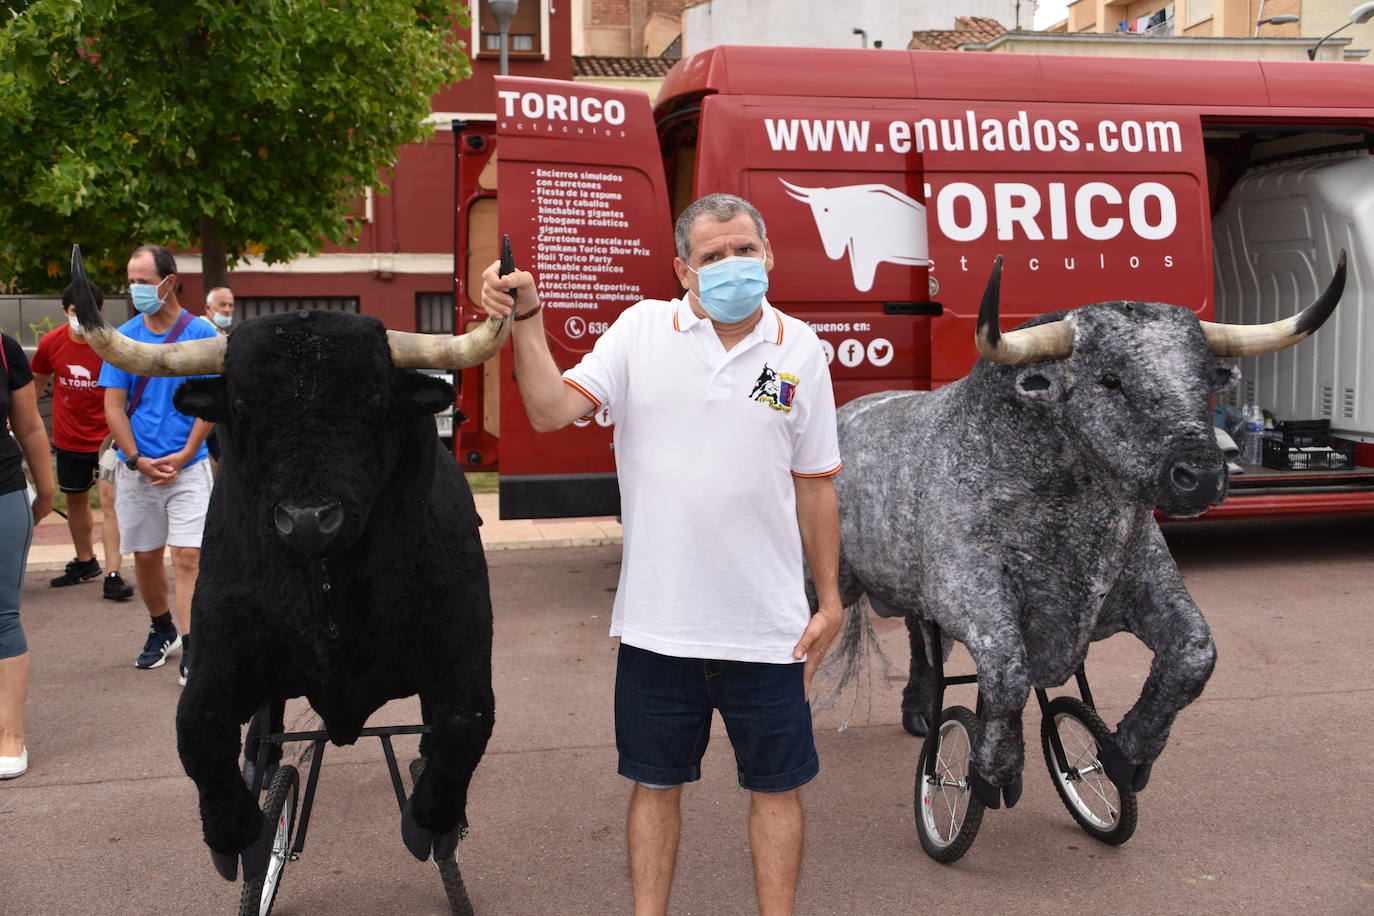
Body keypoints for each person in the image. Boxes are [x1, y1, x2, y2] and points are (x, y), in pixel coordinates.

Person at [481, 193, 844, 915]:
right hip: (659, 624)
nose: (732, 265)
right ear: (683, 269)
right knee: (654, 786)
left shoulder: (800, 349)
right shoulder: (640, 332)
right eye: (713, 257)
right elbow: (552, 409)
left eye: (744, 249)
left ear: (769, 253)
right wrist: (528, 320)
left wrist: (829, 602)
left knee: (778, 789)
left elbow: (815, 488)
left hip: (768, 629)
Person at [99, 244, 218, 687]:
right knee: (146, 558)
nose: (135, 290)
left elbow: (211, 402)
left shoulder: (201, 332)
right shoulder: (124, 336)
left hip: (189, 466)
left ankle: (192, 643)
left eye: (143, 282)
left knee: (188, 556)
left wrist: (187, 453)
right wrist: (136, 459)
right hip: (138, 469)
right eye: (131, 281)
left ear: (169, 282)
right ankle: (161, 626)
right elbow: (113, 405)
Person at [30, 283, 135, 601]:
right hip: (69, 438)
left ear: (100, 312)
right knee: (76, 501)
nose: (81, 317)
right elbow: (35, 385)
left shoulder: (112, 344)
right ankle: (86, 561)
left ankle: (113, 573)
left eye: (88, 311)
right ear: (65, 311)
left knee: (109, 501)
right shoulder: (51, 343)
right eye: (75, 311)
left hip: (108, 441)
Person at [1, 331, 56, 779]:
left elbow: (30, 425)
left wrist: (47, 487)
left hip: (1, 491)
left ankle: (9, 736)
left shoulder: (3, 347)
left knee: (2, 616)